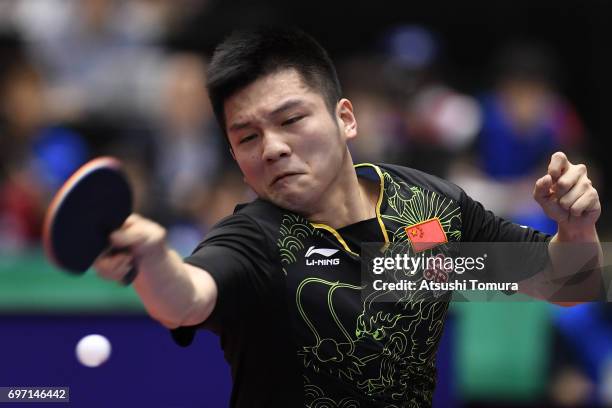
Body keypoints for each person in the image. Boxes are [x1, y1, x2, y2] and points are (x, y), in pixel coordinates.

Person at [93, 27, 602, 407]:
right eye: (247, 137)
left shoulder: (428, 205)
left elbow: (566, 283)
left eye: (291, 120)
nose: (272, 148)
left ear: (345, 118)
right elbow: (185, 299)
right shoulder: (255, 240)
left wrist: (575, 227)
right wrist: (155, 259)